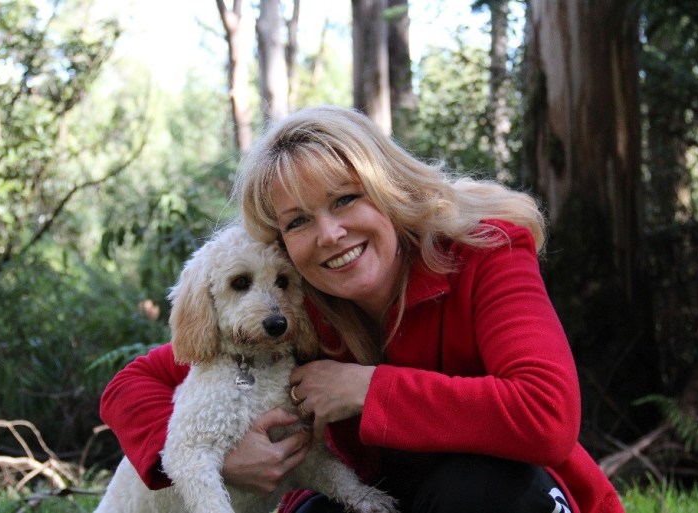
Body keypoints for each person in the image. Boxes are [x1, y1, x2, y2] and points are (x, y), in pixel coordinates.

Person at [100, 105, 625, 513]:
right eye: (298, 221)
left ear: (387, 188)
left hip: (506, 495)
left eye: (346, 198)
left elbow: (548, 413)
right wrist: (225, 462)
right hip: (380, 494)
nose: (329, 235)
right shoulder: (296, 305)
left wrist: (368, 389)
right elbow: (132, 384)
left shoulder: (485, 253)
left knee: (476, 490)